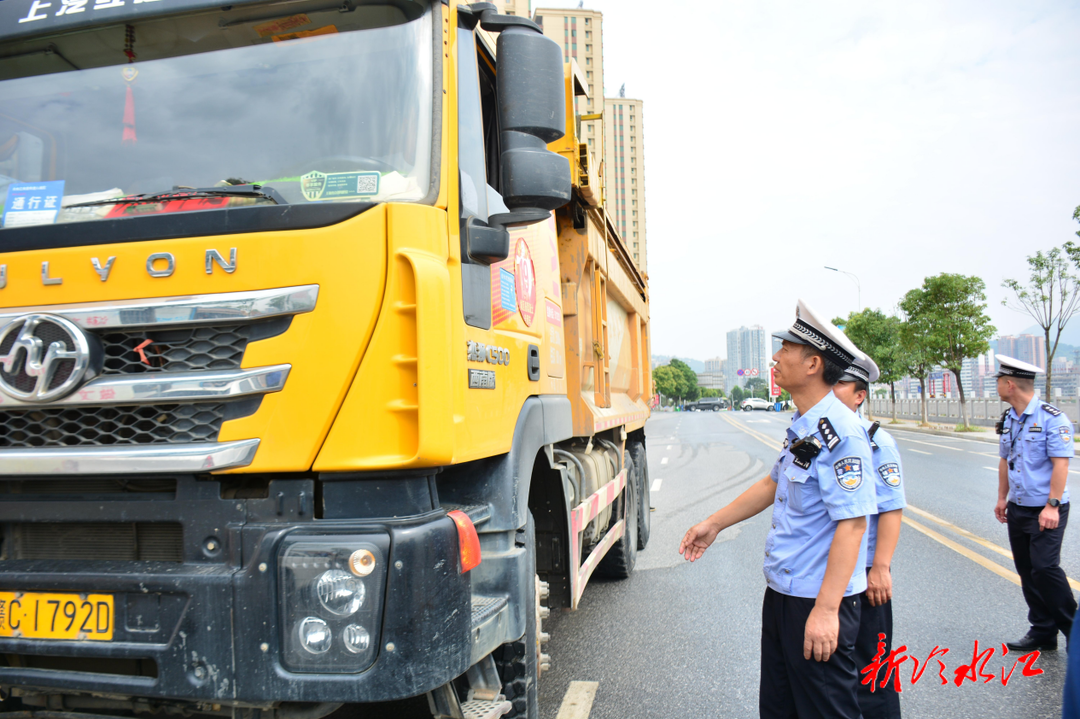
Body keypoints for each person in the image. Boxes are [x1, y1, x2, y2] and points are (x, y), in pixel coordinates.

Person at [679, 300, 877, 719]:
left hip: (819, 601)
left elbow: (854, 525)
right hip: (785, 595)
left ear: (812, 364)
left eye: (785, 349)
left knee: (828, 711)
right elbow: (773, 483)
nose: (775, 357)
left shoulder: (843, 433)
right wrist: (713, 523)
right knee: (780, 709)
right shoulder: (804, 426)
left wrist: (826, 611)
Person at [834, 351, 906, 718]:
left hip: (864, 575)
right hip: (834, 574)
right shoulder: (825, 437)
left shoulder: (878, 442)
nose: (832, 390)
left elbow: (892, 508)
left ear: (859, 395)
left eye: (841, 384)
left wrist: (880, 567)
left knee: (873, 672)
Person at [993, 355, 1076, 652]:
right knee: (1027, 570)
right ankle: (1042, 630)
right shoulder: (1010, 418)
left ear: (1010, 384)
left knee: (1045, 568)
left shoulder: (1052, 419)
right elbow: (1005, 460)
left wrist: (1052, 505)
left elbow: (1061, 465)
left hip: (1046, 508)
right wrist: (1002, 498)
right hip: (1018, 506)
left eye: (1000, 381)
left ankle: (1074, 629)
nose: (998, 385)